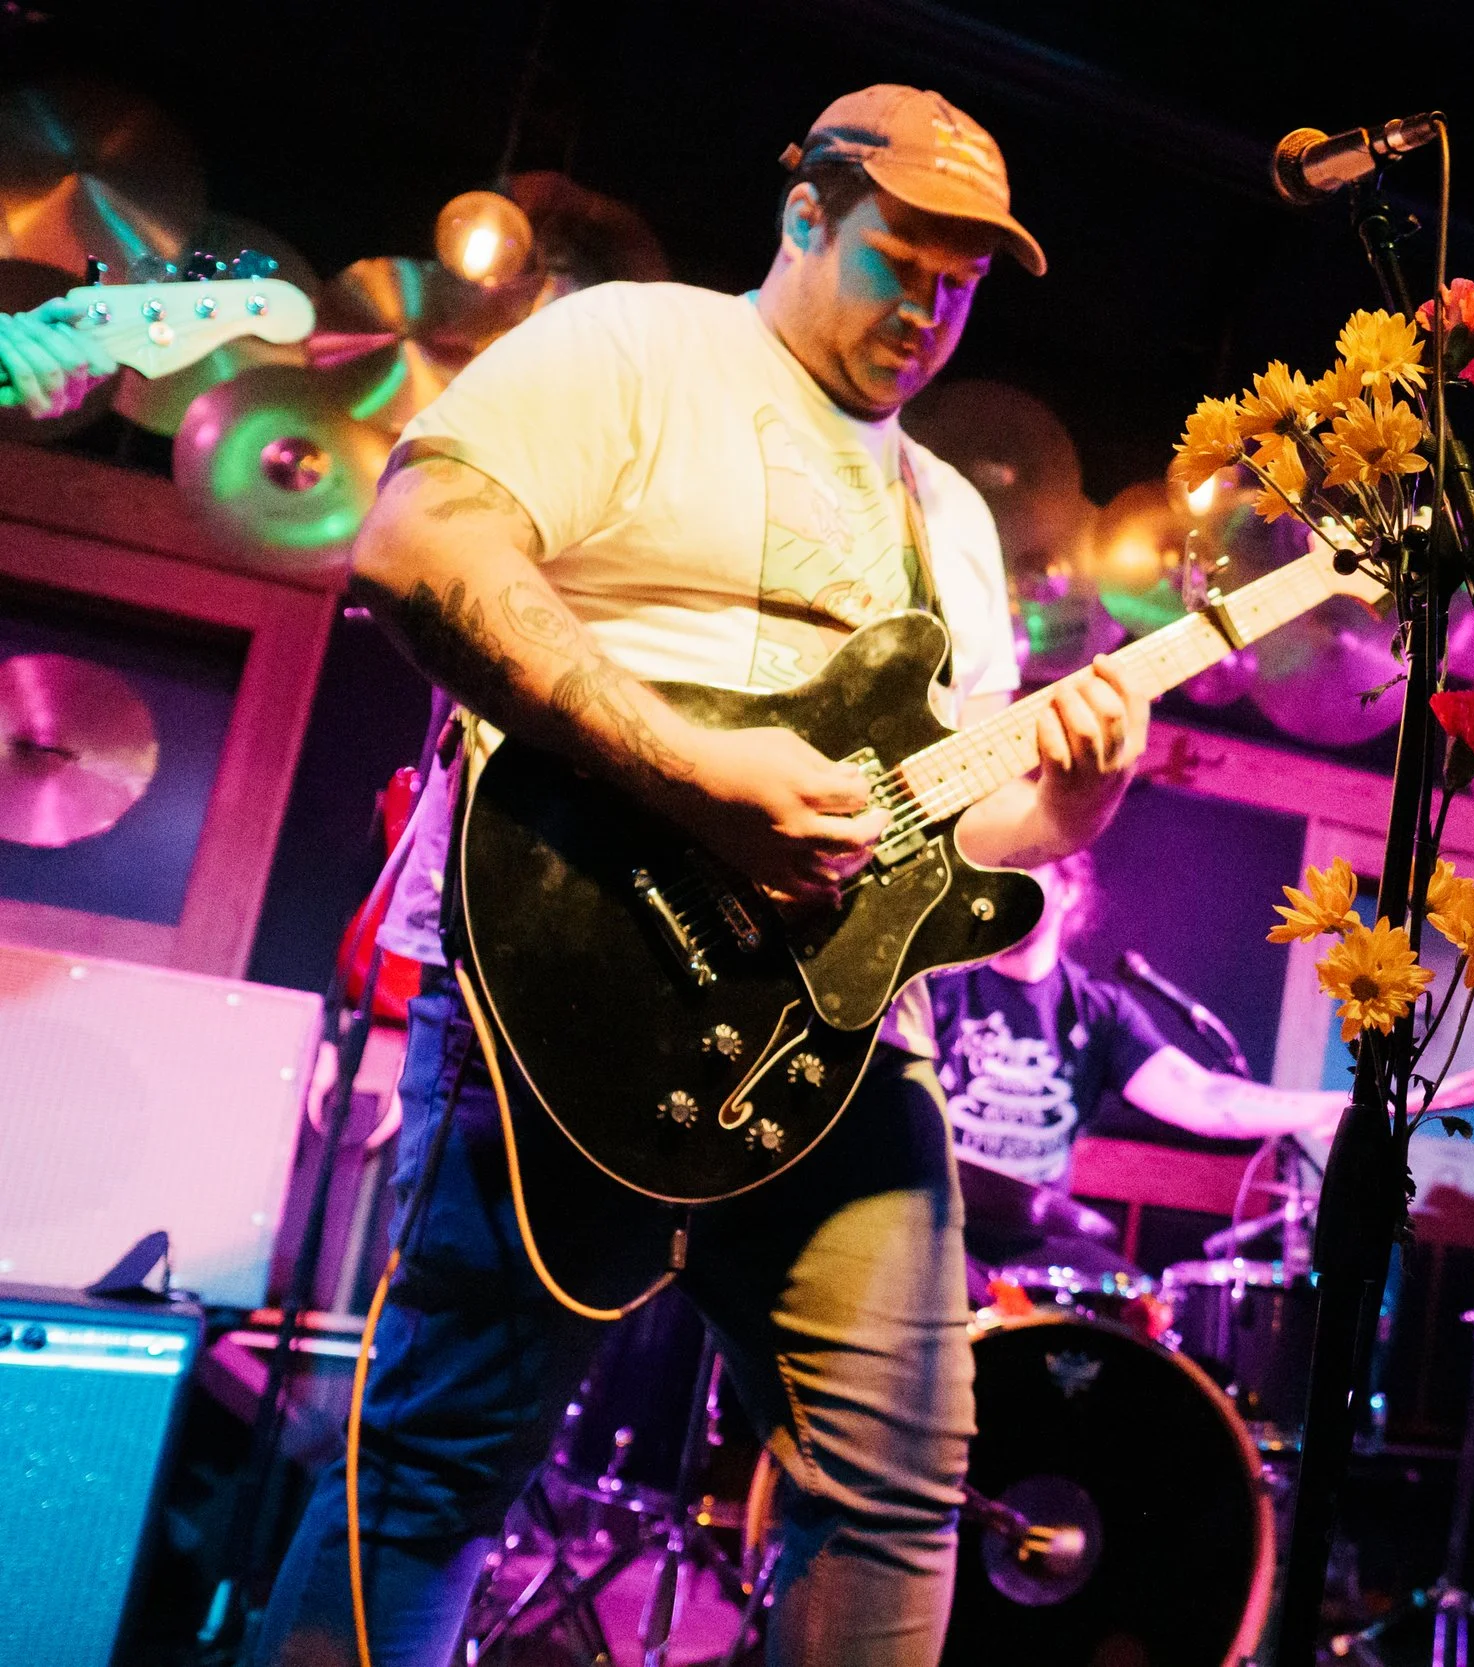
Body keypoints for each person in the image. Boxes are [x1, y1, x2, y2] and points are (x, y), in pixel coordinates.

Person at [10, 83, 1130, 1667]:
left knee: (897, 1488)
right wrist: (695, 773)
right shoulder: (631, 349)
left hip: (841, 1039)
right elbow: (417, 548)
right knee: (430, 1473)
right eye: (906, 258)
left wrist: (1063, 812)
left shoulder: (945, 511)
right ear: (805, 213)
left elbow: (947, 824)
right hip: (571, 977)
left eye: (966, 280)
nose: (934, 308)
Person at [930, 850, 1346, 1202]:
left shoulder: (1099, 1010)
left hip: (1033, 1242)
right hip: (932, 1231)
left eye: (1027, 865)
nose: (1005, 884)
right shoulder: (939, 987)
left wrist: (1338, 1105)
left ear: (1068, 890)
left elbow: (1206, 1096)